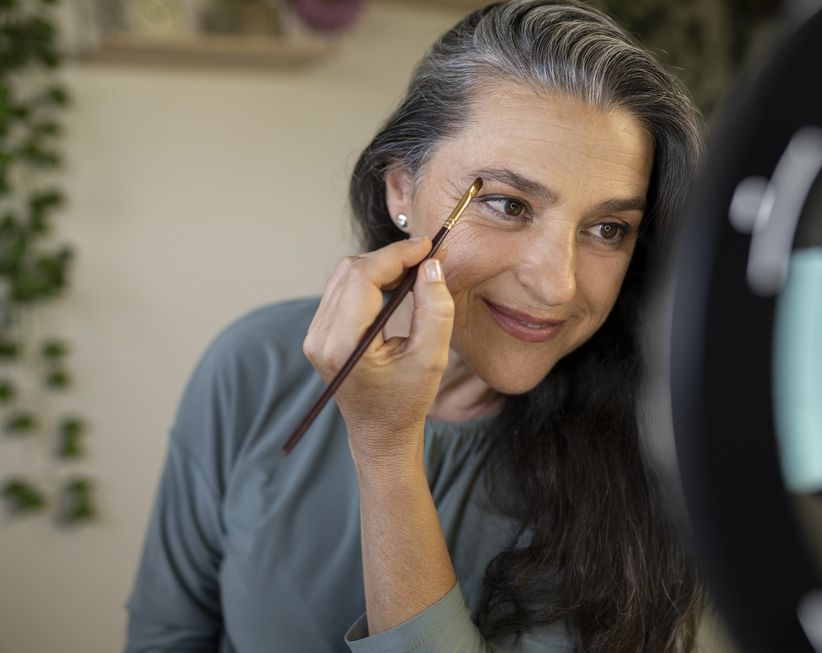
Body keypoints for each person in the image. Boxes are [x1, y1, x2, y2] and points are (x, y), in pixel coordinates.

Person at [125, 1, 705, 651]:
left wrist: (386, 454)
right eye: (509, 204)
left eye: (607, 229)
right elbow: (166, 635)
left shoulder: (653, 459)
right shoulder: (251, 365)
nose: (558, 283)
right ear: (400, 189)